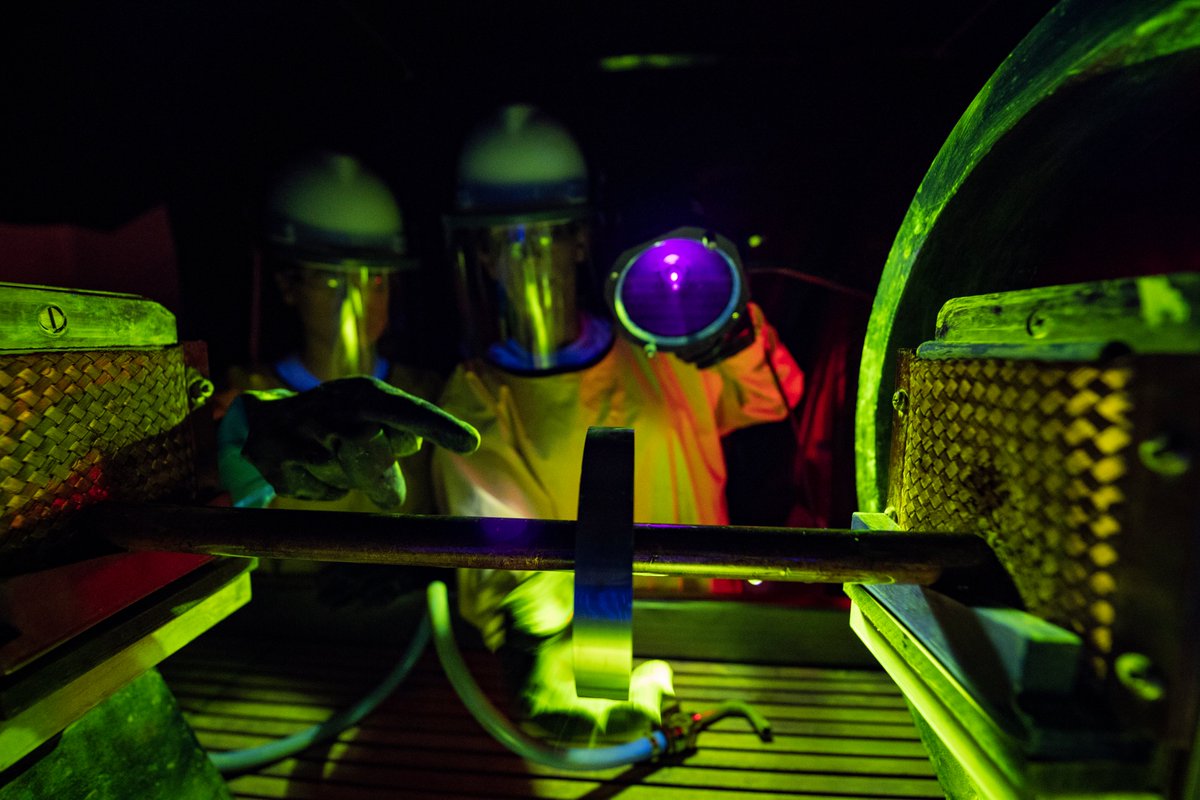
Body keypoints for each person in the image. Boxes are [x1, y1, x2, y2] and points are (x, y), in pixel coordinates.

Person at [432, 104, 805, 736]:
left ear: (581, 241)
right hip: (596, 654)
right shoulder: (476, 396)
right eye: (503, 239)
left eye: (547, 234)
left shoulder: (660, 345)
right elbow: (497, 539)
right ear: (483, 257)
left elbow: (773, 399)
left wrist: (733, 333)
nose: (525, 257)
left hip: (719, 630)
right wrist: (540, 640)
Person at [217, 151, 446, 518]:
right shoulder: (241, 404)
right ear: (288, 286)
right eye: (331, 279)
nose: (355, 301)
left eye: (373, 279)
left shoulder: (430, 396)